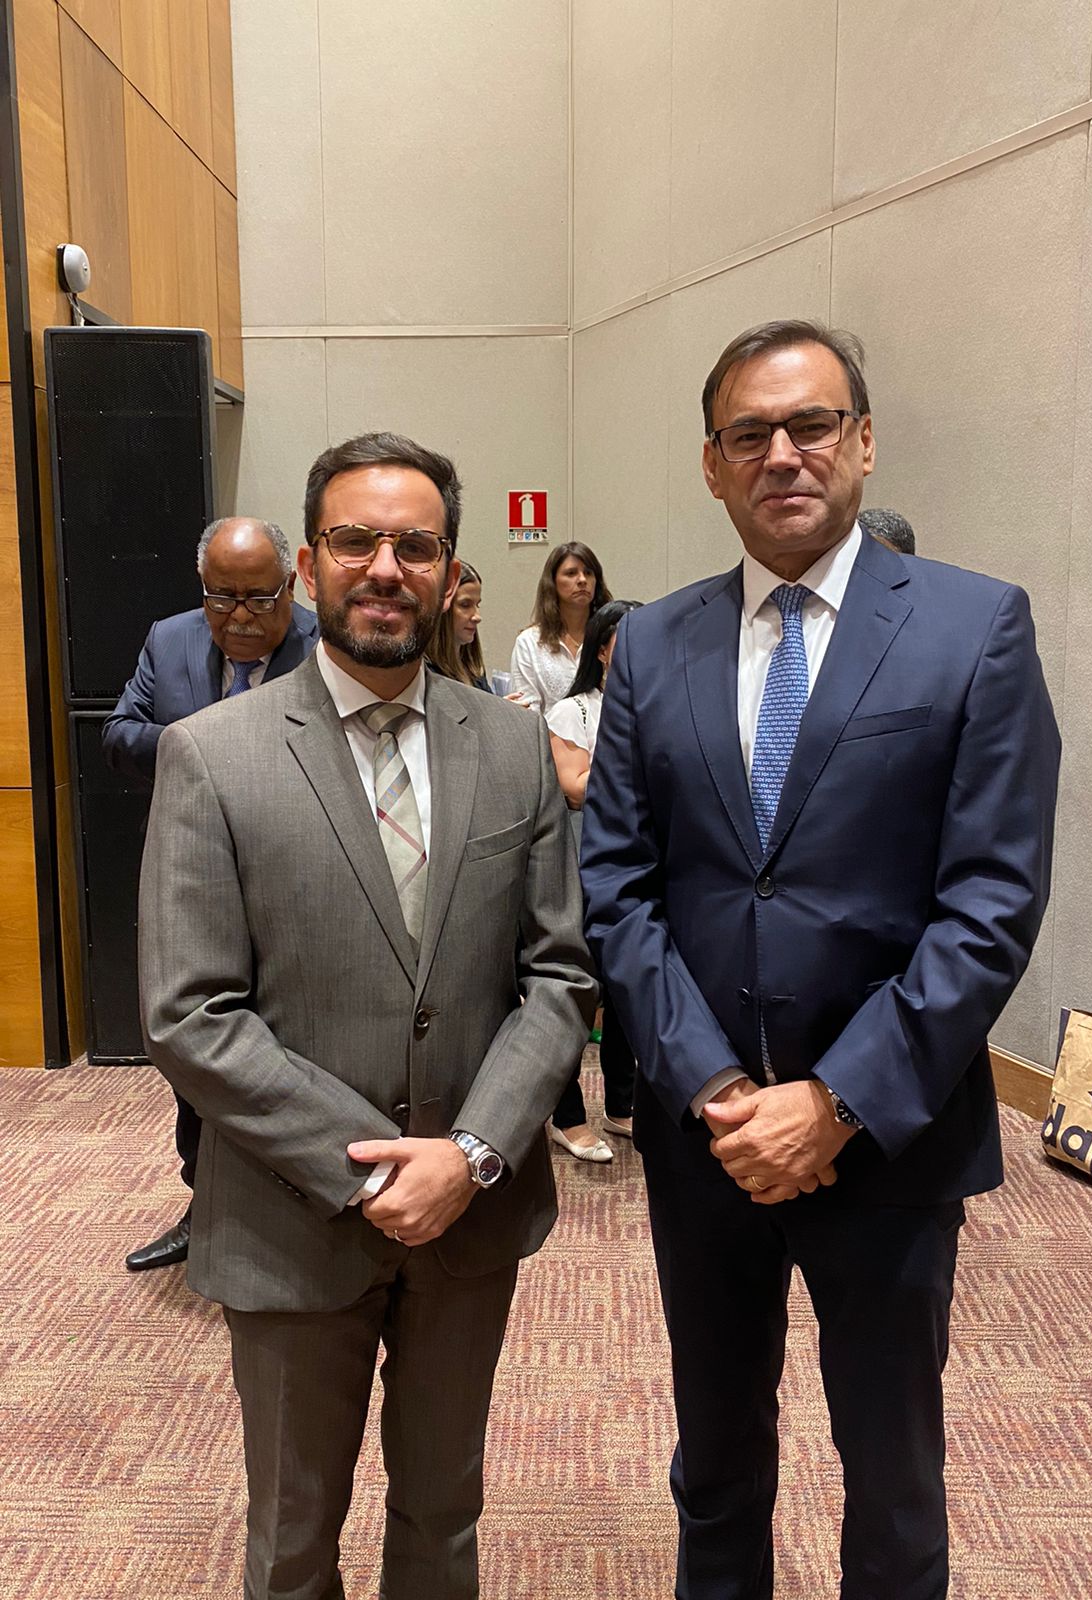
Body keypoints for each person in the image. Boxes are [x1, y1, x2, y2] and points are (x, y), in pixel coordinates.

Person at [581, 319, 1060, 1600]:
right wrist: (712, 1085)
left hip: (890, 1139)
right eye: (750, 433)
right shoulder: (654, 644)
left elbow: (992, 900)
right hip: (708, 1139)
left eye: (811, 425)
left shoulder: (975, 625)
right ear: (712, 463)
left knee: (892, 1477)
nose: (782, 454)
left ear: (863, 440)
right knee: (716, 1458)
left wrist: (837, 1101)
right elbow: (616, 887)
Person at [138, 430, 594, 1600]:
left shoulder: (515, 748)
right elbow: (190, 1012)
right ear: (309, 564)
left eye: (415, 546)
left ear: (448, 571)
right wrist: (377, 1166)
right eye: (355, 541)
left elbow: (558, 975)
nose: (385, 567)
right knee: (292, 1537)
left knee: (444, 1517)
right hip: (290, 1217)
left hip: (472, 1218)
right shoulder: (210, 755)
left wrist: (472, 1153)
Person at [103, 516, 319, 1272]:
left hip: (293, 892)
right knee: (194, 1056)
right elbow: (119, 733)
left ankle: (294, 1217)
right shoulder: (169, 641)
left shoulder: (326, 646)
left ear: (289, 586)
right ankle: (206, 1206)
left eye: (259, 598)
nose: (240, 617)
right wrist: (197, 745)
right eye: (221, 598)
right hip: (193, 886)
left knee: (283, 1058)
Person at [544, 599, 641, 1162]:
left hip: (642, 863)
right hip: (584, 862)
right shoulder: (574, 711)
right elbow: (574, 786)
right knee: (577, 989)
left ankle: (622, 1104)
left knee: (630, 989)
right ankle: (567, 1117)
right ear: (602, 649)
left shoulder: (657, 703)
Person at [508, 540, 612, 711]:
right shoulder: (529, 642)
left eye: (588, 573)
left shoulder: (612, 637)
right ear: (553, 582)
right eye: (571, 573)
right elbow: (526, 712)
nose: (582, 580)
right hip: (547, 728)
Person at [426, 559, 491, 690]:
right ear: (442, 607)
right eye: (465, 605)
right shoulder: (427, 676)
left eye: (477, 605)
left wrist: (499, 702)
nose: (477, 617)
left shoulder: (473, 669)